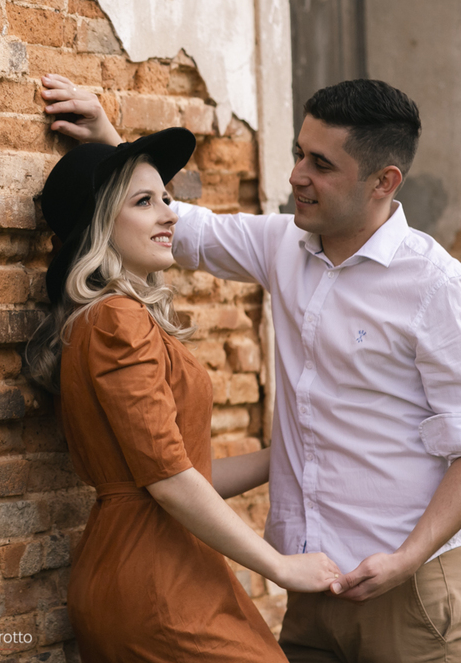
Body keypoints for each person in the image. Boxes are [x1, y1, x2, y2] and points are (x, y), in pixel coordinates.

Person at [40, 72, 461, 662]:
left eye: (321, 163)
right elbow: (168, 224)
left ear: (383, 181)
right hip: (313, 588)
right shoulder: (282, 245)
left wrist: (406, 559)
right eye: (298, 153)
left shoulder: (437, 287)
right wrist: (110, 146)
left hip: (410, 586)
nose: (296, 175)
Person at [27, 124, 341, 662]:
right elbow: (170, 483)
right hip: (157, 582)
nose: (170, 215)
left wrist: (287, 455)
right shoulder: (116, 321)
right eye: (144, 202)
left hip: (157, 562)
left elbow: (180, 473)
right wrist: (280, 567)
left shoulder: (110, 319)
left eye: (166, 199)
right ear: (101, 225)